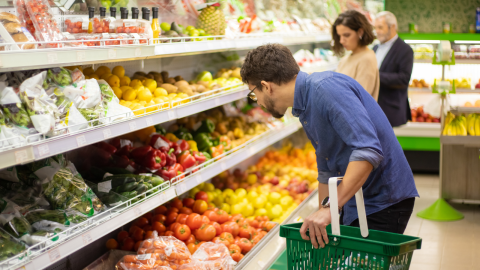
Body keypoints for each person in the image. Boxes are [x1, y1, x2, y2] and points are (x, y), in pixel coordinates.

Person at [240, 44, 418, 249]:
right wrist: (322, 215)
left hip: (382, 200)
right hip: (357, 198)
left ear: (266, 86)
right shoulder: (303, 105)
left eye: (254, 94)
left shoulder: (325, 89)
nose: (258, 102)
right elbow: (327, 169)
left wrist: (331, 208)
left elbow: (368, 151)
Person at [374, 11, 414, 127]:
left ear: (392, 27)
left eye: (380, 27)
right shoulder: (375, 47)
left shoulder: (405, 50)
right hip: (375, 110)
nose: (377, 31)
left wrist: (374, 76)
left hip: (392, 112)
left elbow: (403, 79)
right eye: (375, 28)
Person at [333, 10, 380, 101]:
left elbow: (358, 100)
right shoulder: (346, 59)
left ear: (360, 32)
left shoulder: (366, 59)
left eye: (346, 35)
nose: (341, 41)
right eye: (339, 36)